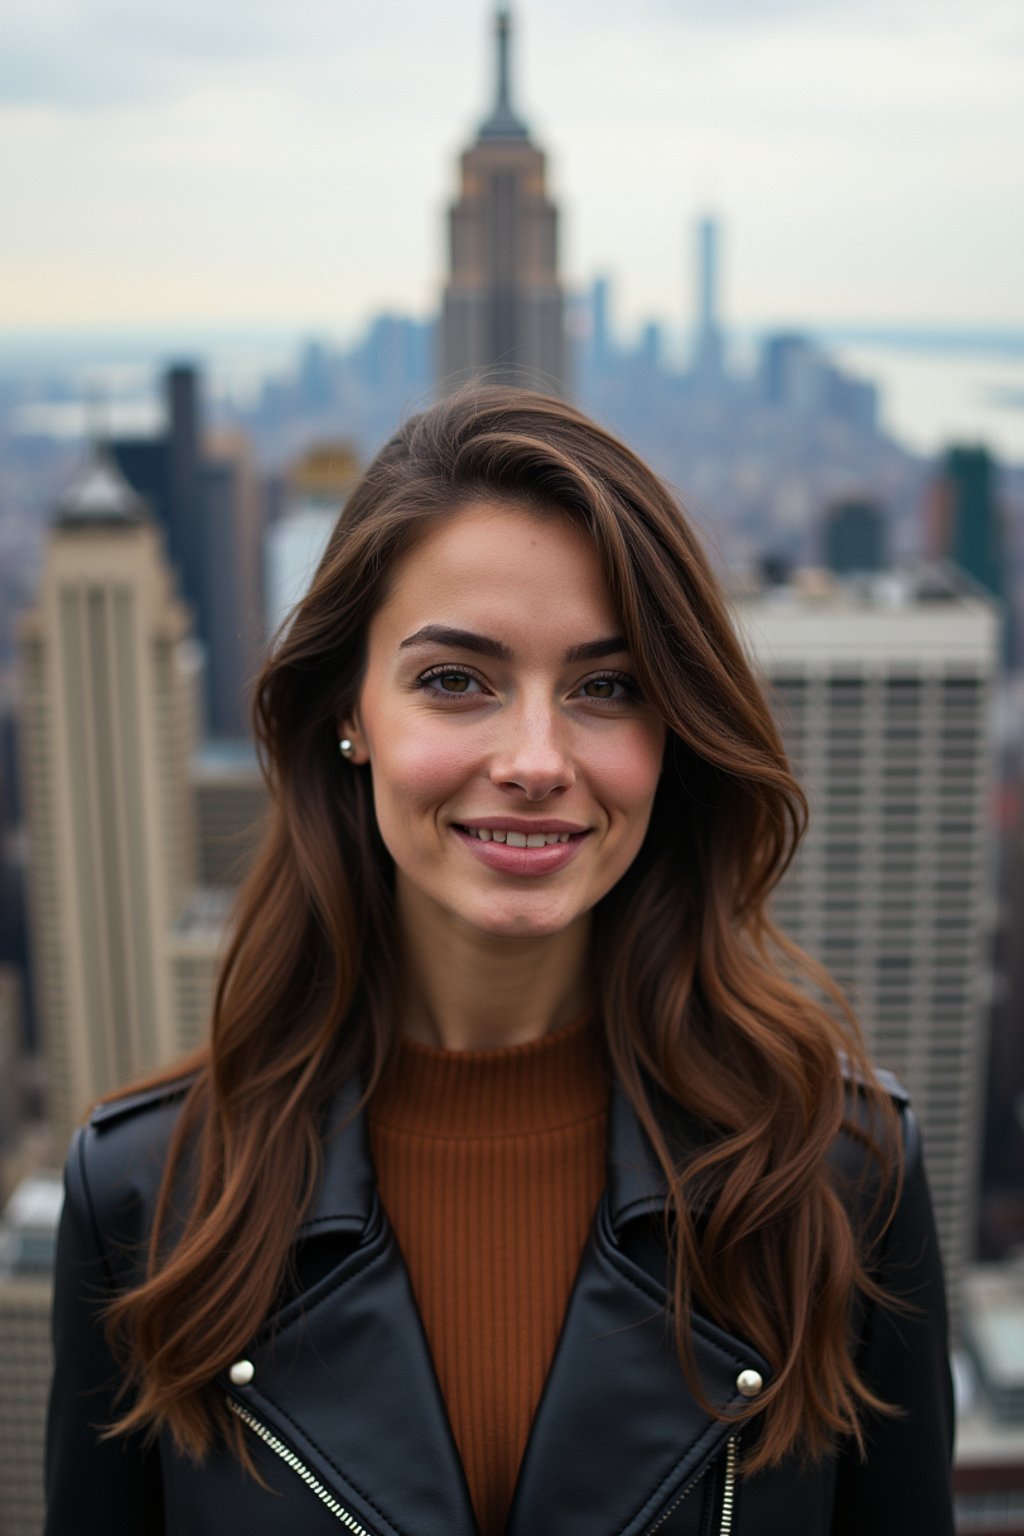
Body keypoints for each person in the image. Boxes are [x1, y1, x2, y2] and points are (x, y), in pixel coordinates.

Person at [45, 387, 954, 1536]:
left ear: (671, 732)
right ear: (349, 712)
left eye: (606, 688)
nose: (535, 760)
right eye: (455, 680)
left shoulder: (838, 1173)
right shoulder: (145, 1198)